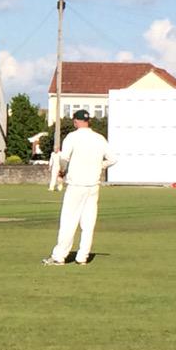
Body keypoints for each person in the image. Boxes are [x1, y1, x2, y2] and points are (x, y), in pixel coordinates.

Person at [43, 109, 117, 265]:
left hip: (76, 184)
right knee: (88, 223)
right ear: (88, 121)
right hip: (93, 185)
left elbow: (63, 159)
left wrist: (62, 172)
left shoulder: (72, 137)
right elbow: (113, 159)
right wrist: (100, 166)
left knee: (68, 221)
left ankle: (59, 256)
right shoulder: (99, 138)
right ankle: (82, 257)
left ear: (76, 121)